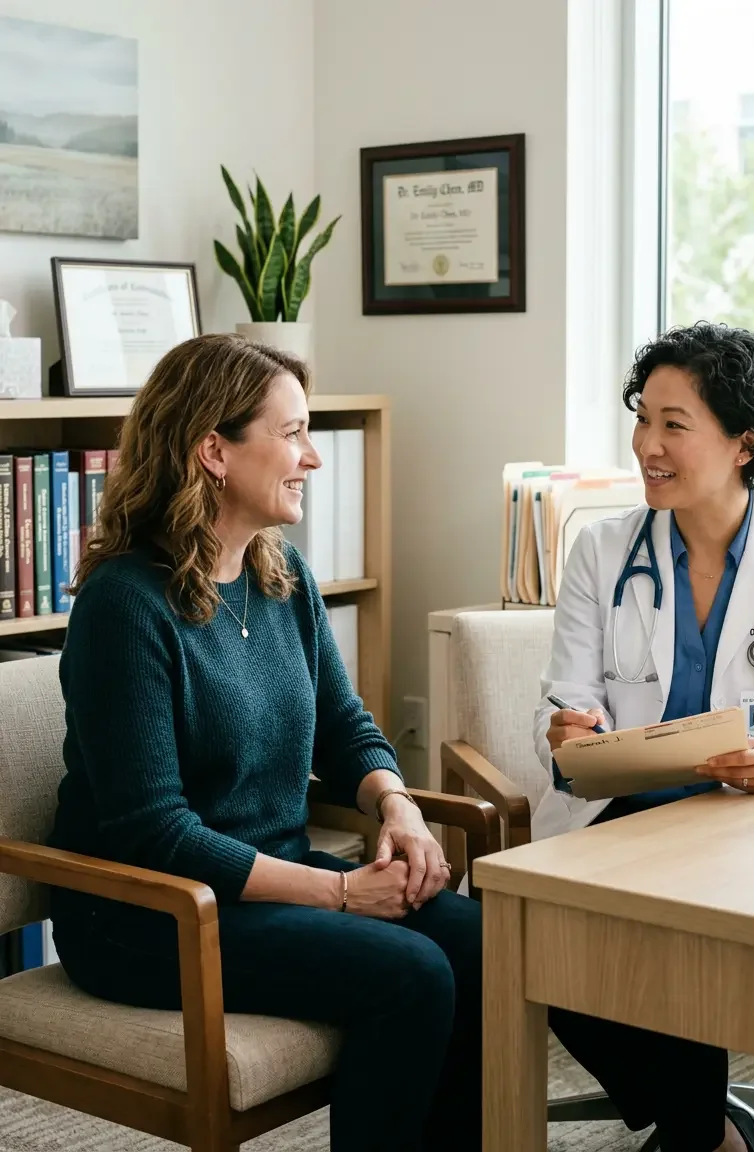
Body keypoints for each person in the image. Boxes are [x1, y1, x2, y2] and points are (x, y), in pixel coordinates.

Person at [46, 333, 482, 1152]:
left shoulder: (283, 578)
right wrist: (347, 894)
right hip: (149, 914)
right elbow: (156, 833)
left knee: (480, 943)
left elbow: (346, 729)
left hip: (262, 880)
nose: (313, 458)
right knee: (413, 974)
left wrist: (400, 808)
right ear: (213, 449)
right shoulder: (123, 606)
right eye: (292, 434)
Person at [531, 322, 754, 1152]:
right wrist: (569, 730)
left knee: (678, 934)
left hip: (752, 824)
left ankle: (695, 1133)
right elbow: (568, 703)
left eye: (673, 425)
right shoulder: (602, 549)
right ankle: (710, 1134)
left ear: (743, 441)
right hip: (620, 816)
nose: (647, 444)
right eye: (642, 418)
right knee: (528, 934)